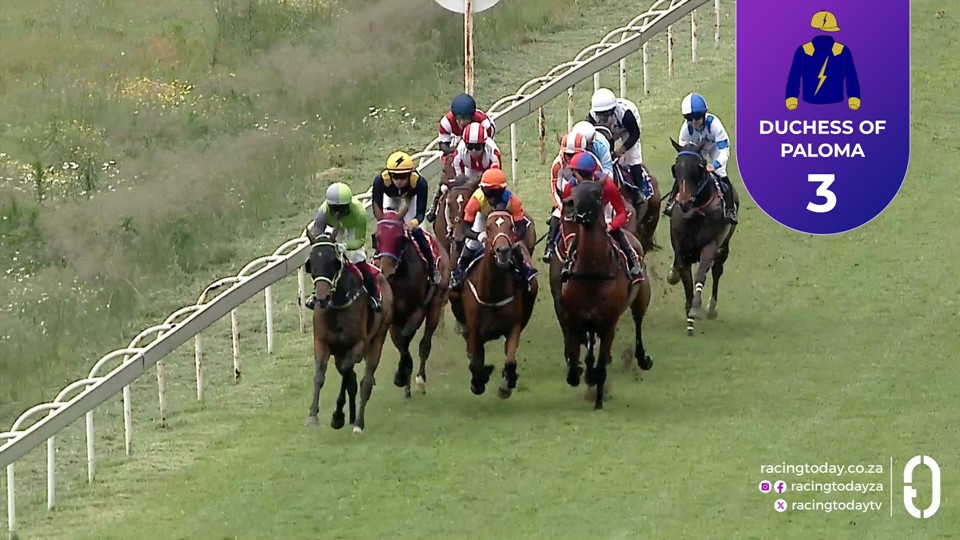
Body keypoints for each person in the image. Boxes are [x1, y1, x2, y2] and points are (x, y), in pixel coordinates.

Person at [560, 152, 643, 284]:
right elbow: (565, 216)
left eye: (575, 173)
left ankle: (632, 259)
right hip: (580, 219)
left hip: (603, 216)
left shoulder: (607, 185)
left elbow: (622, 213)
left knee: (618, 233)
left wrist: (611, 226)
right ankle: (568, 261)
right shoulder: (569, 187)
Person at [449, 168, 537, 291]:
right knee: (472, 244)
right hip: (483, 217)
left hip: (504, 217)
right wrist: (478, 236)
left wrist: (510, 238)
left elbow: (521, 228)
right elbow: (465, 228)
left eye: (496, 193)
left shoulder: (512, 201)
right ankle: (459, 272)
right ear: (482, 189)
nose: (492, 199)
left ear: (503, 190)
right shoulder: (476, 199)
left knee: (516, 246)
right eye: (489, 193)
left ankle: (524, 271)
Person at [662, 92, 738, 224]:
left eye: (697, 117)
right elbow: (684, 155)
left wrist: (715, 165)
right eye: (689, 119)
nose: (693, 122)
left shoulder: (714, 125)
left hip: (715, 148)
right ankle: (671, 201)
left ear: (703, 115)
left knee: (721, 173)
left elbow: (724, 150)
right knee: (685, 172)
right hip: (696, 151)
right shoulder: (685, 130)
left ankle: (730, 209)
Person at [305, 183, 382, 311]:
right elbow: (318, 233)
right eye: (334, 208)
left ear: (349, 205)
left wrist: (345, 245)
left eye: (341, 209)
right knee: (322, 260)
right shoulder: (323, 212)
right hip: (334, 228)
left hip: (352, 227)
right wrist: (326, 246)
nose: (337, 212)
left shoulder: (359, 212)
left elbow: (359, 240)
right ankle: (316, 293)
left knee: (357, 258)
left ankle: (374, 295)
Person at [371, 151, 440, 285]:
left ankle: (432, 267)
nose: (399, 181)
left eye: (403, 177)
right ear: (389, 174)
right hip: (391, 198)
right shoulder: (380, 180)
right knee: (384, 232)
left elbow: (420, 214)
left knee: (418, 232)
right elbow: (376, 205)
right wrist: (384, 222)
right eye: (395, 177)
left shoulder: (420, 183)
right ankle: (376, 259)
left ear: (410, 174)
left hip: (411, 198)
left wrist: (412, 224)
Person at [426, 93, 497, 222]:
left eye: (466, 118)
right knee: (449, 169)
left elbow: (485, 147)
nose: (462, 122)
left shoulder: (484, 124)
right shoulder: (446, 122)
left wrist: (471, 148)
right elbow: (443, 147)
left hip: (479, 148)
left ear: (472, 116)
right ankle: (435, 204)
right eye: (458, 118)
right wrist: (460, 147)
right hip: (458, 148)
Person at [586, 88, 645, 208]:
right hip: (608, 131)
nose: (601, 119)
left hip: (627, 129)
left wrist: (622, 150)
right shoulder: (592, 115)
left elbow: (635, 134)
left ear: (612, 111)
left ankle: (639, 191)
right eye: (599, 115)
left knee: (632, 158)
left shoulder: (626, 114)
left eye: (605, 115)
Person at [542, 131, 595, 262]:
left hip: (588, 198)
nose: (570, 159)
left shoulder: (592, 162)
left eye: (575, 155)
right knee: (555, 218)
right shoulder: (557, 165)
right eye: (568, 155)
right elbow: (554, 189)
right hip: (566, 198)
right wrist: (562, 208)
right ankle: (550, 247)